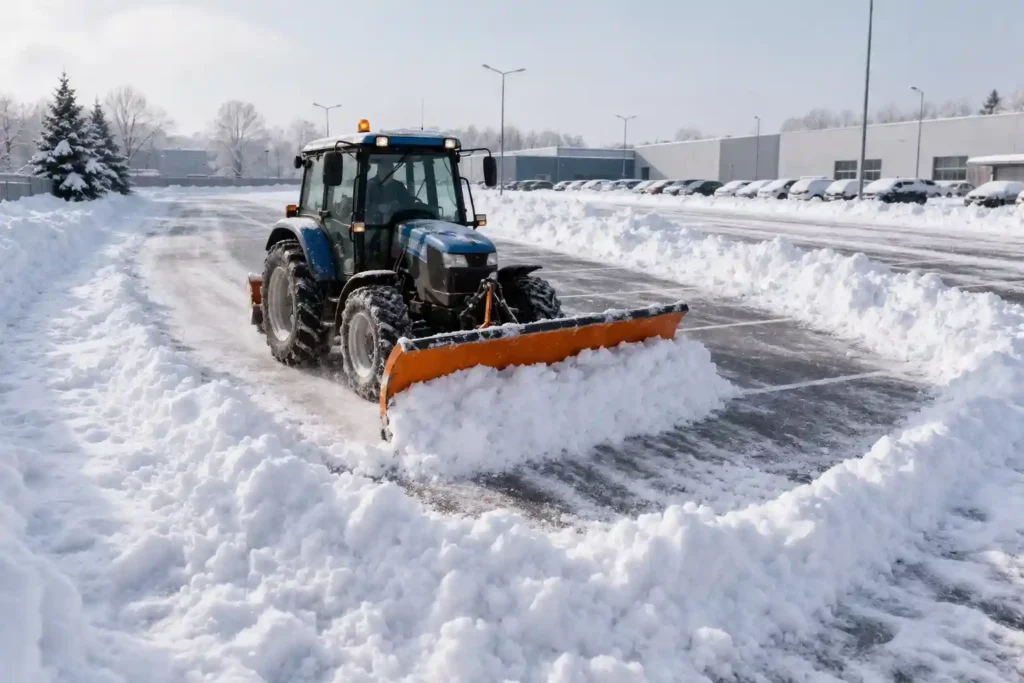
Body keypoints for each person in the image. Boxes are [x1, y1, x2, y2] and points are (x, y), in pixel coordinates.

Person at [365, 158, 415, 224]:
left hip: (395, 224)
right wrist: (377, 207)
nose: (388, 174)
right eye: (384, 171)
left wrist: (396, 206)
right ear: (378, 171)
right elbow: (362, 206)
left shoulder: (399, 186)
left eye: (390, 172)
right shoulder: (369, 185)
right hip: (372, 225)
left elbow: (408, 204)